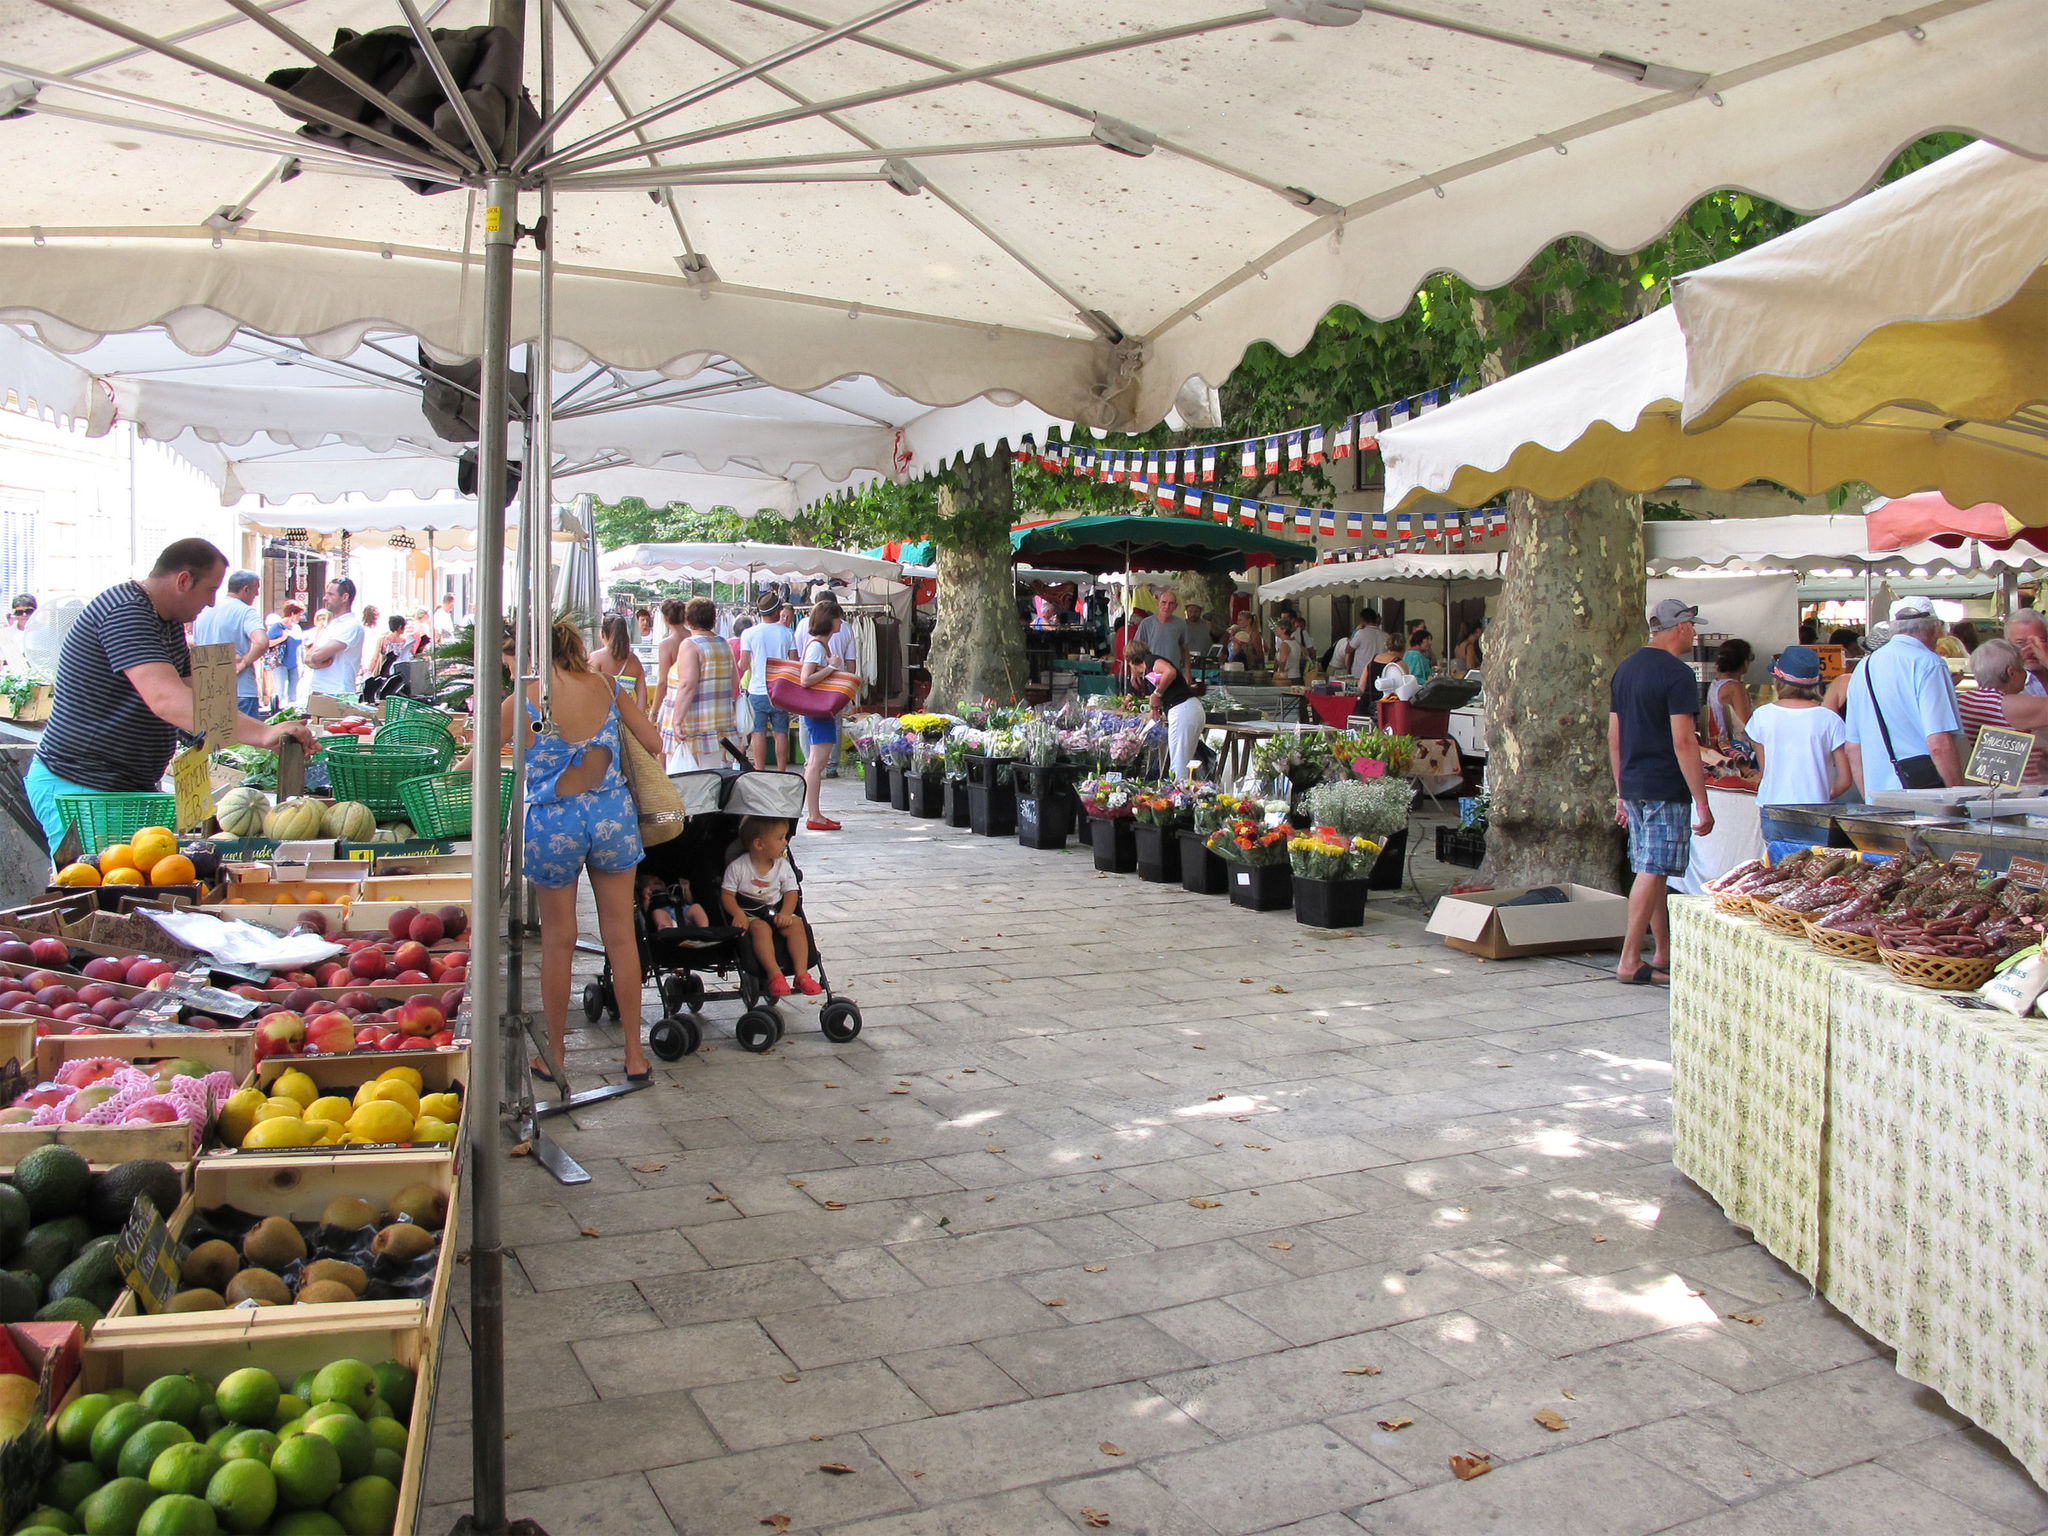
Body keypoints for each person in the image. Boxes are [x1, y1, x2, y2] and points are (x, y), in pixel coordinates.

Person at [26, 539, 314, 853]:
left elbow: (197, 698)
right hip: (81, 786)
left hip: (122, 788)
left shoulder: (165, 621)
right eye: (210, 590)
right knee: (95, 889)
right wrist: (261, 732)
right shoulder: (126, 611)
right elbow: (167, 699)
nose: (212, 603)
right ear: (183, 580)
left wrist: (269, 733)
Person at [495, 620, 662, 1085]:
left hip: (553, 823)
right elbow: (653, 742)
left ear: (531, 651)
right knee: (621, 937)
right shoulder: (608, 685)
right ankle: (634, 1055)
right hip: (612, 817)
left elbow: (483, 758)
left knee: (557, 941)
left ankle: (555, 1055)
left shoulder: (525, 697)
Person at [1608, 598, 1713, 987]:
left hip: (1634, 782)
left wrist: (1621, 789)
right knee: (1652, 870)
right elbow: (1684, 741)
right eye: (1693, 626)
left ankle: (1661, 951)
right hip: (1665, 784)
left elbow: (1614, 735)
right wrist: (1702, 801)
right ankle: (1630, 959)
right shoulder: (1678, 674)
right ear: (1681, 627)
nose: (1695, 634)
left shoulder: (1626, 669)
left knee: (1650, 869)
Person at [1843, 596, 1963, 794]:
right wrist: (1958, 795)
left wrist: (1870, 798)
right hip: (1925, 797)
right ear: (1935, 628)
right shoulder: (1929, 663)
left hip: (1880, 798)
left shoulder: (1863, 667)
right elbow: (1938, 743)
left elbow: (1853, 747)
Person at [1746, 646, 1853, 843]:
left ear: (1778, 681)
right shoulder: (1830, 720)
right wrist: (1820, 792)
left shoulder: (1761, 717)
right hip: (1817, 811)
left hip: (1773, 807)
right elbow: (1845, 779)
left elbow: (1766, 770)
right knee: (1814, 870)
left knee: (1777, 868)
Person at [720, 815, 818, 998]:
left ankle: (801, 974)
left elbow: (791, 892)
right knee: (760, 928)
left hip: (776, 909)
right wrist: (737, 913)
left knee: (796, 925)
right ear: (759, 844)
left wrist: (787, 913)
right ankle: (775, 974)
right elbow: (727, 895)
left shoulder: (783, 866)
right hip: (750, 914)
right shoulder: (738, 867)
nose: (785, 842)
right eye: (780, 838)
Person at [1956, 639, 2048, 784]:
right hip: (2024, 795)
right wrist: (2045, 661)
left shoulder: (1963, 702)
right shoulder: (2010, 705)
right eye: (2023, 669)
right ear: (2011, 673)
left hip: (1986, 788)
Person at [192, 569, 270, 720]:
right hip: (240, 690)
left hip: (209, 690)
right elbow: (261, 642)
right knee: (244, 742)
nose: (257, 595)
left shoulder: (204, 611)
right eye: (256, 589)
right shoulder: (246, 612)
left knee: (215, 742)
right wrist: (245, 662)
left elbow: (195, 644)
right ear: (245, 589)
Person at [797, 601, 845, 831]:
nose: (841, 622)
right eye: (838, 618)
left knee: (819, 761)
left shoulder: (820, 645)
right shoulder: (817, 647)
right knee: (817, 762)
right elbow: (805, 679)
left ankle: (816, 813)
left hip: (819, 711)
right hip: (818, 711)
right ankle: (814, 814)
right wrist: (832, 668)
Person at [735, 595, 796, 770]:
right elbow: (794, 662)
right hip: (780, 691)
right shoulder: (787, 632)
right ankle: (782, 770)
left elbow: (743, 664)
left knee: (758, 733)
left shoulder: (749, 633)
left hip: (757, 690)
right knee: (781, 732)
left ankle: (760, 770)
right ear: (777, 611)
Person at [1138, 646, 1205, 780]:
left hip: (1182, 710)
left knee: (1179, 765)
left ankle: (1177, 797)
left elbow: (1170, 672)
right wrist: (1154, 710)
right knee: (1184, 763)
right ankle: (1183, 794)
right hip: (1189, 709)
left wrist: (1157, 693)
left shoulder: (1150, 660)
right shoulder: (1149, 670)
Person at [301, 578, 365, 701]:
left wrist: (315, 659)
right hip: (319, 691)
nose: (325, 598)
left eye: (330, 594)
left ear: (344, 597)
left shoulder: (352, 626)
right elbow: (308, 657)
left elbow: (316, 656)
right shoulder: (331, 625)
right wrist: (314, 659)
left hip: (338, 693)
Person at [592, 614, 647, 710]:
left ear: (602, 634)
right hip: (627, 718)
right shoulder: (634, 661)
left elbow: (587, 693)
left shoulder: (595, 658)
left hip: (601, 719)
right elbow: (642, 698)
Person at [1706, 639, 1754, 746]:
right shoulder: (1735, 688)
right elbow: (1745, 725)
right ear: (1744, 661)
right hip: (1737, 748)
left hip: (1719, 745)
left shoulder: (1715, 684)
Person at [360, 613, 414, 703]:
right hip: (398, 674)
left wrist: (368, 673)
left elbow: (375, 658)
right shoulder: (405, 641)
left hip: (384, 673)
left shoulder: (383, 640)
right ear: (400, 627)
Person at [1136, 590, 1188, 680]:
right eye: (1164, 602)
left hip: (1173, 674)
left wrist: (1187, 672)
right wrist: (1135, 673)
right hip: (1152, 674)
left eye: (1171, 603)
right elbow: (1135, 650)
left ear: (1175, 606)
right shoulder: (1146, 623)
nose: (1167, 606)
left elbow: (1185, 650)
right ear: (1158, 603)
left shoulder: (1181, 624)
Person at [2005, 608, 2048, 696]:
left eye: (2038, 642)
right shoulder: (2001, 680)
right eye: (2021, 644)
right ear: (2008, 645)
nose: (2031, 650)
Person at [1350, 609, 1390, 683]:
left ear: (1363, 620)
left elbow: (1349, 649)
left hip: (1361, 673)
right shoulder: (1386, 636)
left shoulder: (1361, 633)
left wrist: (1355, 631)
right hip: (1380, 674)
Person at [1182, 603, 1213, 668]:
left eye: (1196, 611)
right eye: (1190, 611)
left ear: (1200, 611)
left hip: (1204, 662)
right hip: (1185, 662)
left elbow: (1225, 634)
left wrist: (1217, 648)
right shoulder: (1180, 625)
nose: (1193, 614)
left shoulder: (1207, 625)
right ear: (1186, 612)